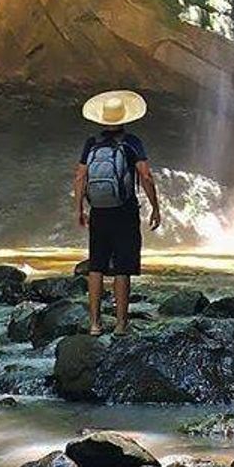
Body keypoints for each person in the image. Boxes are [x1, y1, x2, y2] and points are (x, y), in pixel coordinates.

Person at [73, 89, 161, 336]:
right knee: (123, 266)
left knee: (96, 266)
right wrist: (155, 206)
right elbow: (145, 175)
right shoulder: (132, 142)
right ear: (124, 119)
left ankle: (94, 324)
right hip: (125, 211)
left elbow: (80, 176)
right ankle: (121, 325)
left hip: (98, 211)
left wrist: (80, 208)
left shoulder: (91, 143)